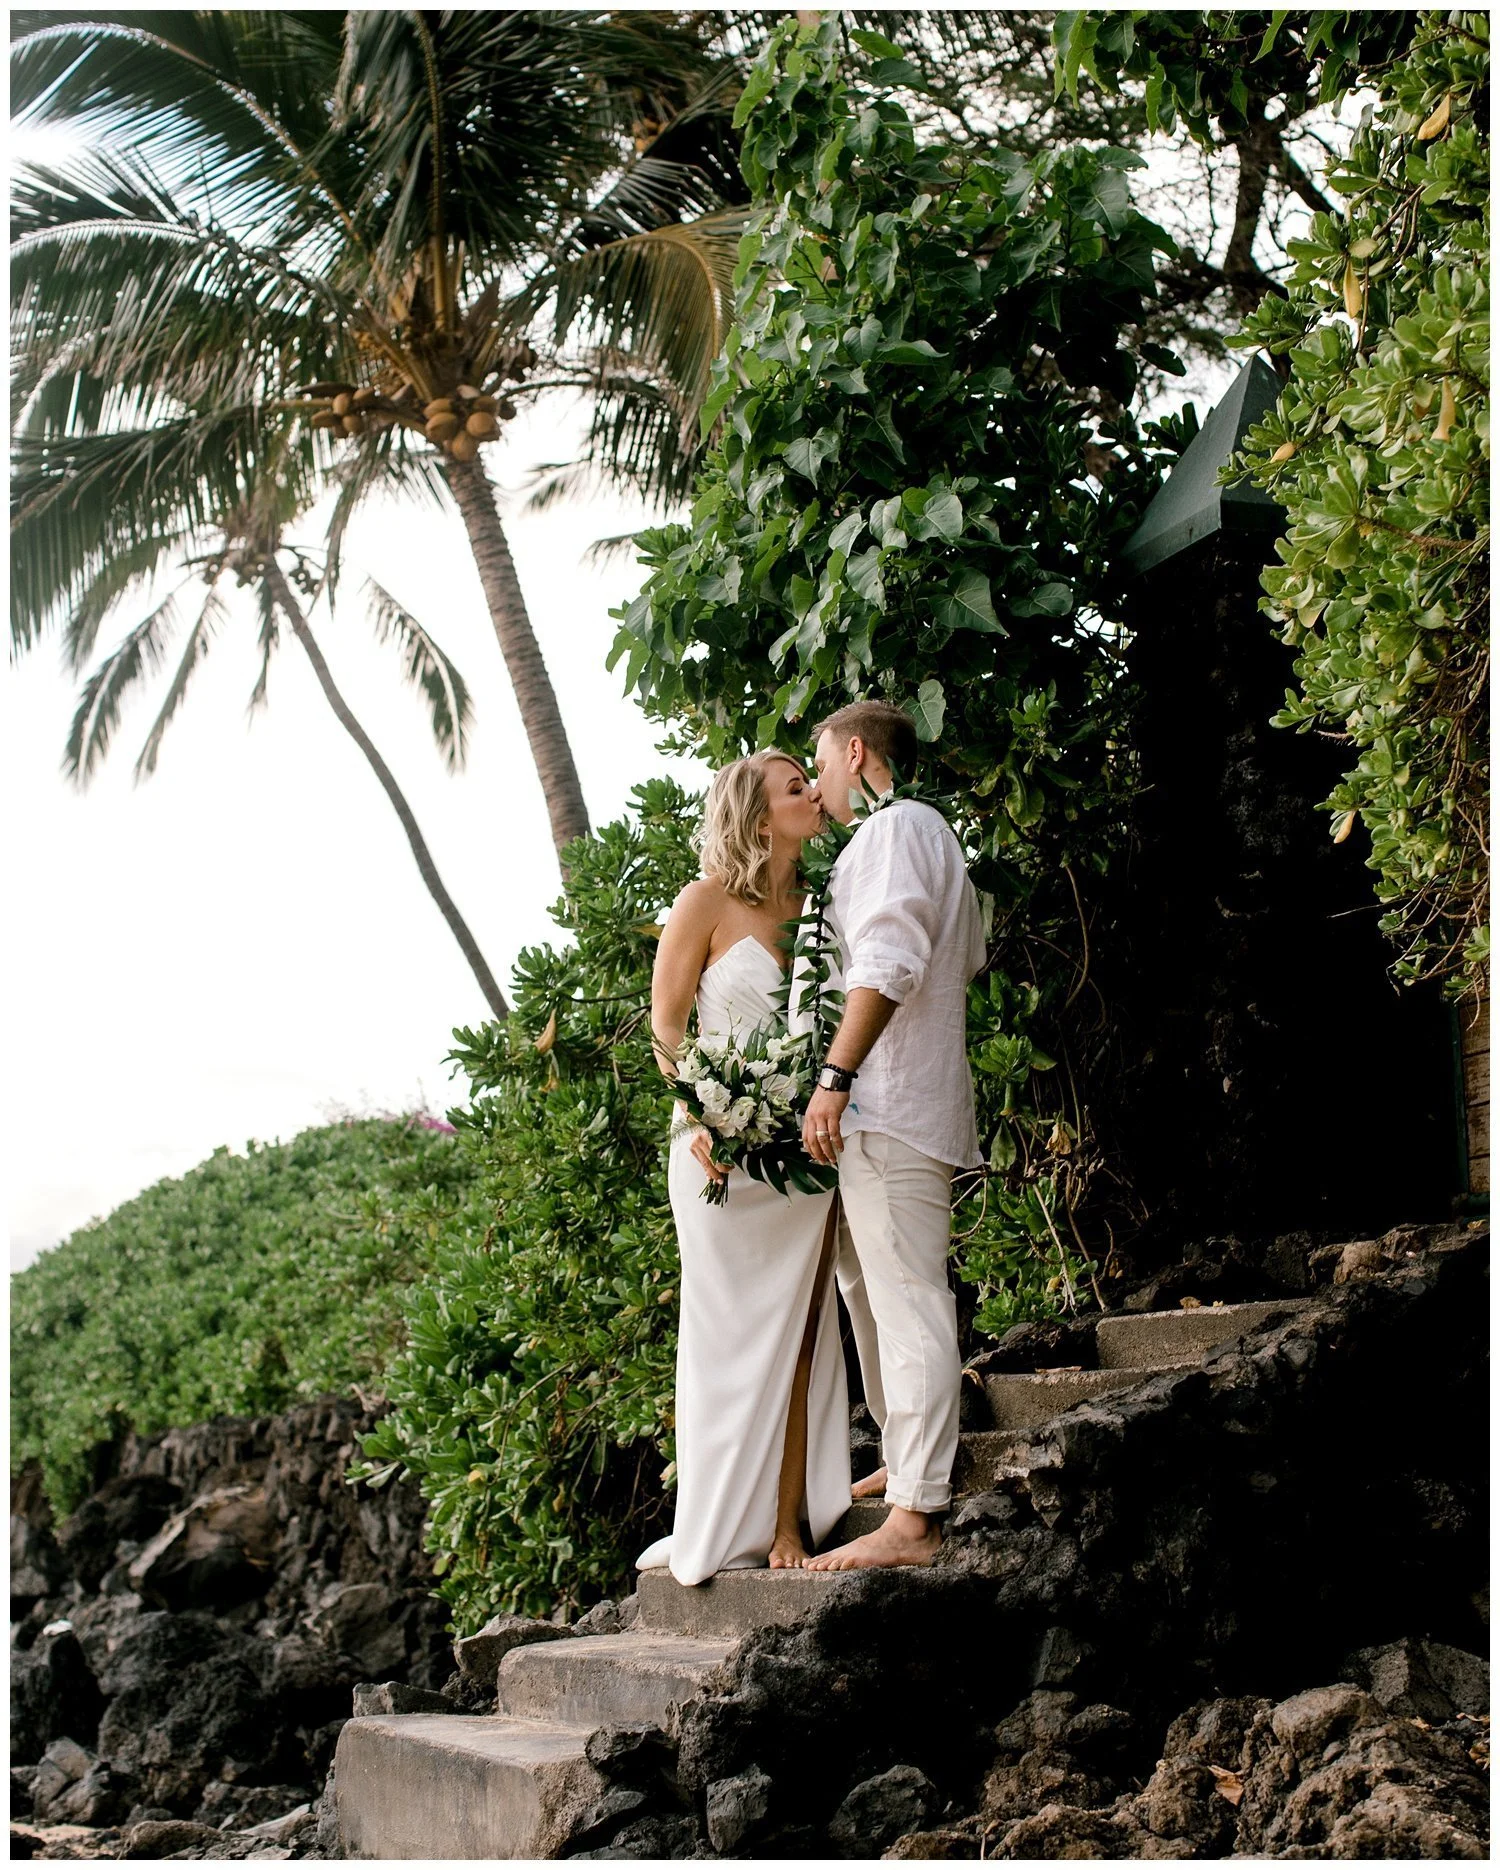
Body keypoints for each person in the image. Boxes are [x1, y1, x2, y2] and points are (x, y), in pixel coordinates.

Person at [635, 751, 852, 1584]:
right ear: (760, 817)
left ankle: (787, 1517)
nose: (813, 793)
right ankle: (721, 1511)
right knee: (727, 1338)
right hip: (713, 1151)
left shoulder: (821, 911)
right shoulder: (704, 901)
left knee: (801, 1335)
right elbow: (666, 1024)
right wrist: (705, 1112)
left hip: (802, 1156)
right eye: (796, 787)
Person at [799, 701, 986, 1571]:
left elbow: (890, 960)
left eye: (820, 760)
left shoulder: (896, 829)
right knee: (866, 1290)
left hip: (889, 1105)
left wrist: (835, 1078)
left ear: (856, 750)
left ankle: (915, 1518)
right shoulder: (924, 837)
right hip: (896, 1106)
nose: (819, 781)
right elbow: (969, 956)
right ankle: (903, 1458)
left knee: (905, 1295)